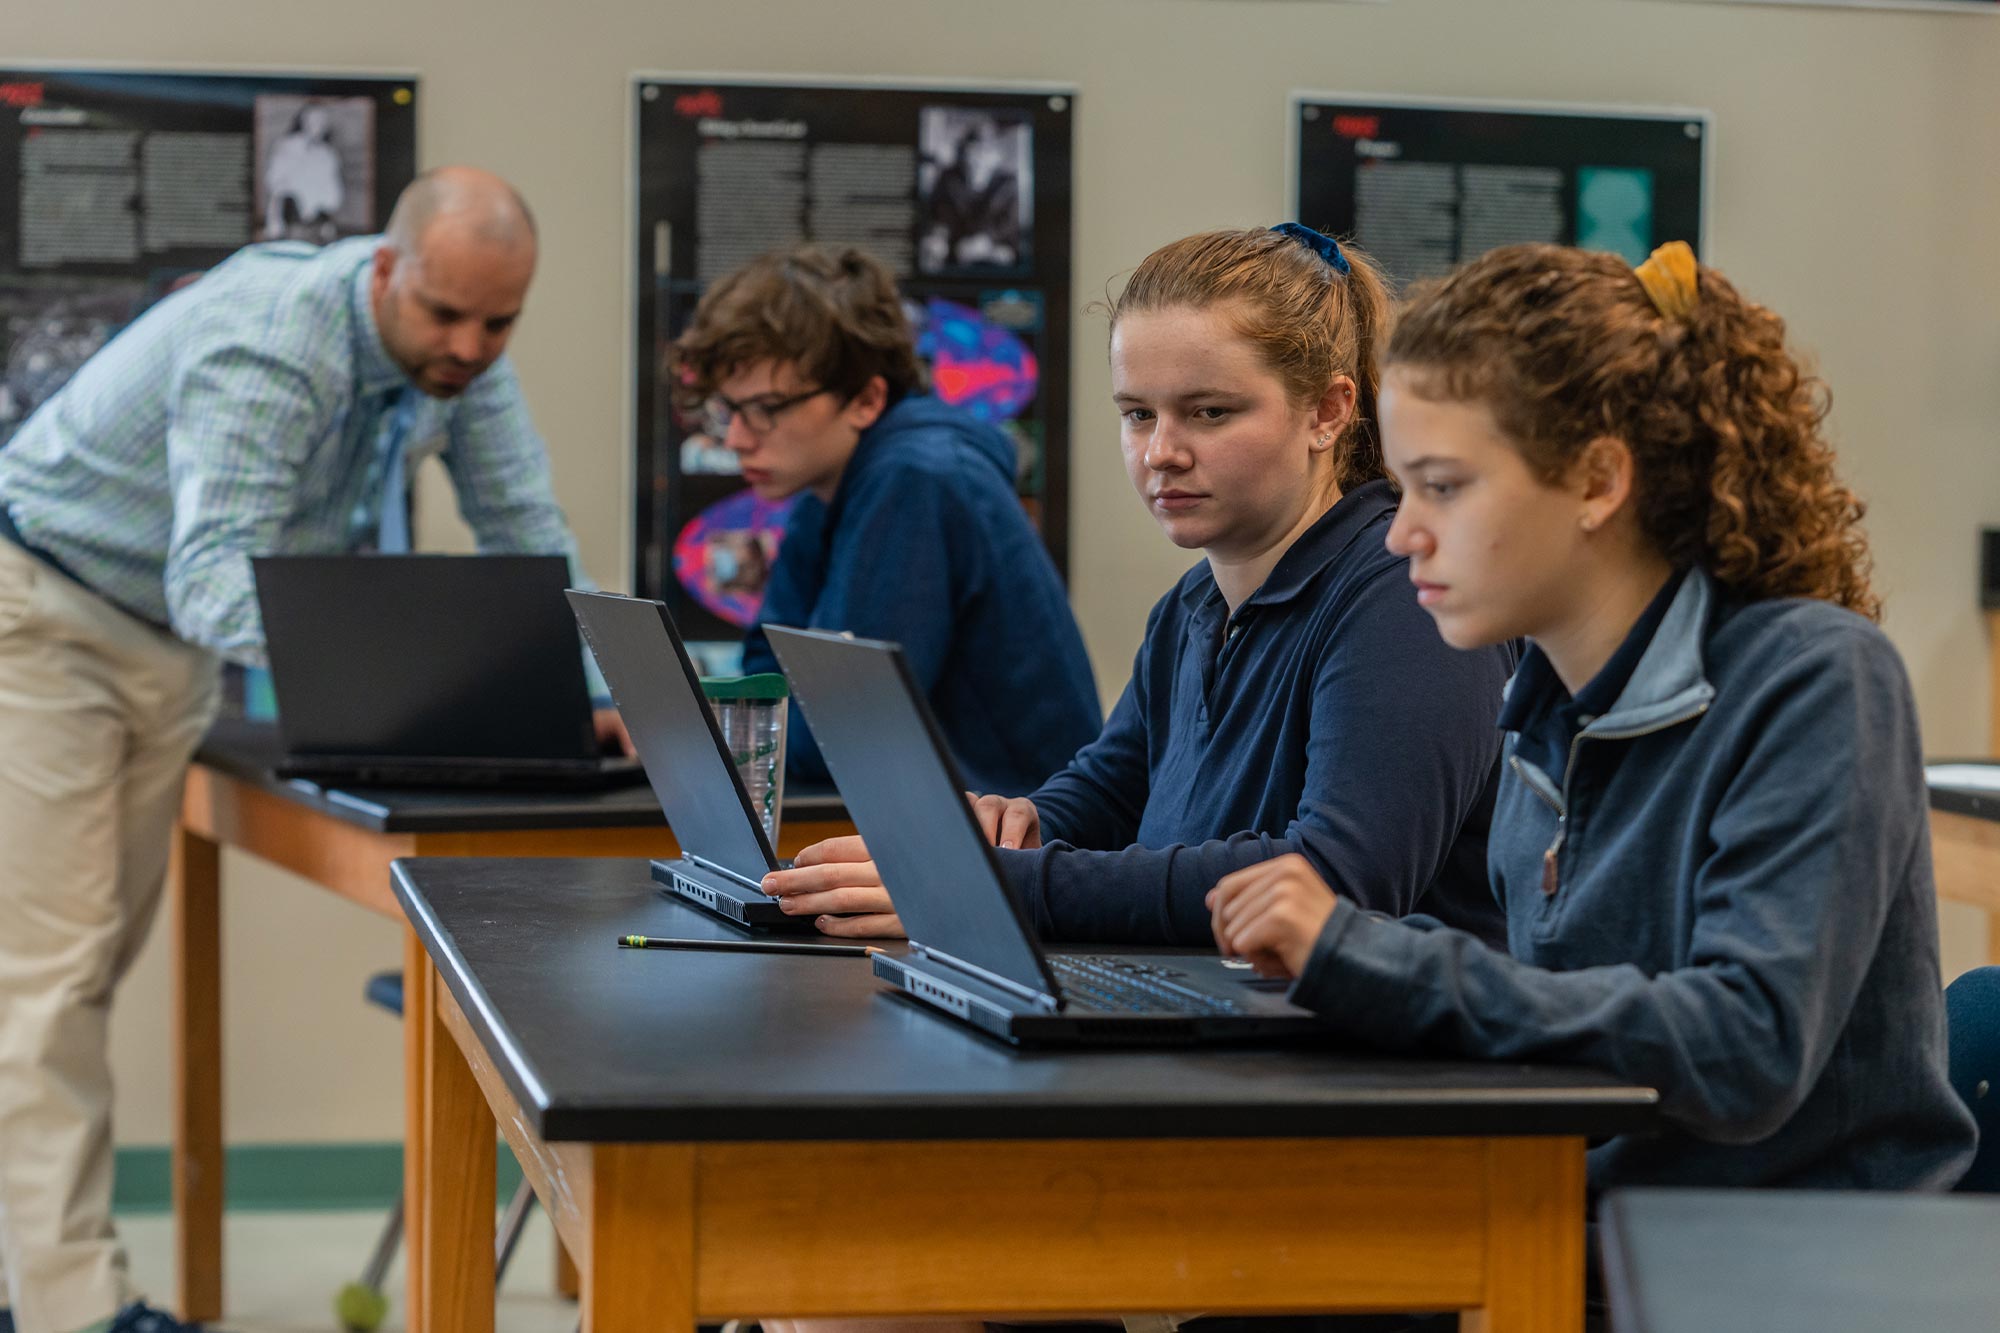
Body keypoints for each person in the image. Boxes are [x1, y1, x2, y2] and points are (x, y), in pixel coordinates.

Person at [1209, 241, 1978, 1209]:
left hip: (1778, 1263)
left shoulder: (1815, 677)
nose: (1402, 533)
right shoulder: (1540, 709)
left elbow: (1744, 1046)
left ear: (1596, 481)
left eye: (1442, 487)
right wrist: (1336, 952)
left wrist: (1373, 961)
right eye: (1402, 491)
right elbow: (1573, 1004)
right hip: (1588, 1212)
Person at [0, 166, 613, 1333]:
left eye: (500, 321)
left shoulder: (461, 357)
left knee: (67, 971)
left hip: (163, 645)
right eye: (445, 314)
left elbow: (524, 529)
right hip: (47, 610)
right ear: (385, 270)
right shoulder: (273, 340)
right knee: (54, 977)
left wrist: (587, 686)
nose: (472, 345)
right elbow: (215, 574)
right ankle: (72, 1310)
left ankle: (24, 1278)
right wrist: (403, 688)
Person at [761, 226, 1515, 949]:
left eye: (1209, 412)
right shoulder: (1192, 605)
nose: (1161, 452)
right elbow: (1110, 794)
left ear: (1327, 410)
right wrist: (1014, 823)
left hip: (1375, 1067)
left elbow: (1338, 880)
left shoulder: (1404, 597)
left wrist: (989, 882)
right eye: (1137, 414)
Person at [670, 244, 1100, 797]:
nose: (734, 439)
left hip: (1019, 853)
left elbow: (832, 742)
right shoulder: (828, 487)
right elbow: (765, 674)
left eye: (767, 409)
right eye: (727, 410)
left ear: (866, 399)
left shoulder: (917, 480)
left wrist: (779, 721)